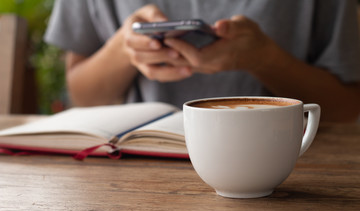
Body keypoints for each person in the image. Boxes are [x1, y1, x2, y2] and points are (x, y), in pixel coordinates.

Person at [45, 0, 360, 122]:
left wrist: (264, 59)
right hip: (139, 162)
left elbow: (346, 107)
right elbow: (82, 95)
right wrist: (124, 49)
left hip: (290, 166)